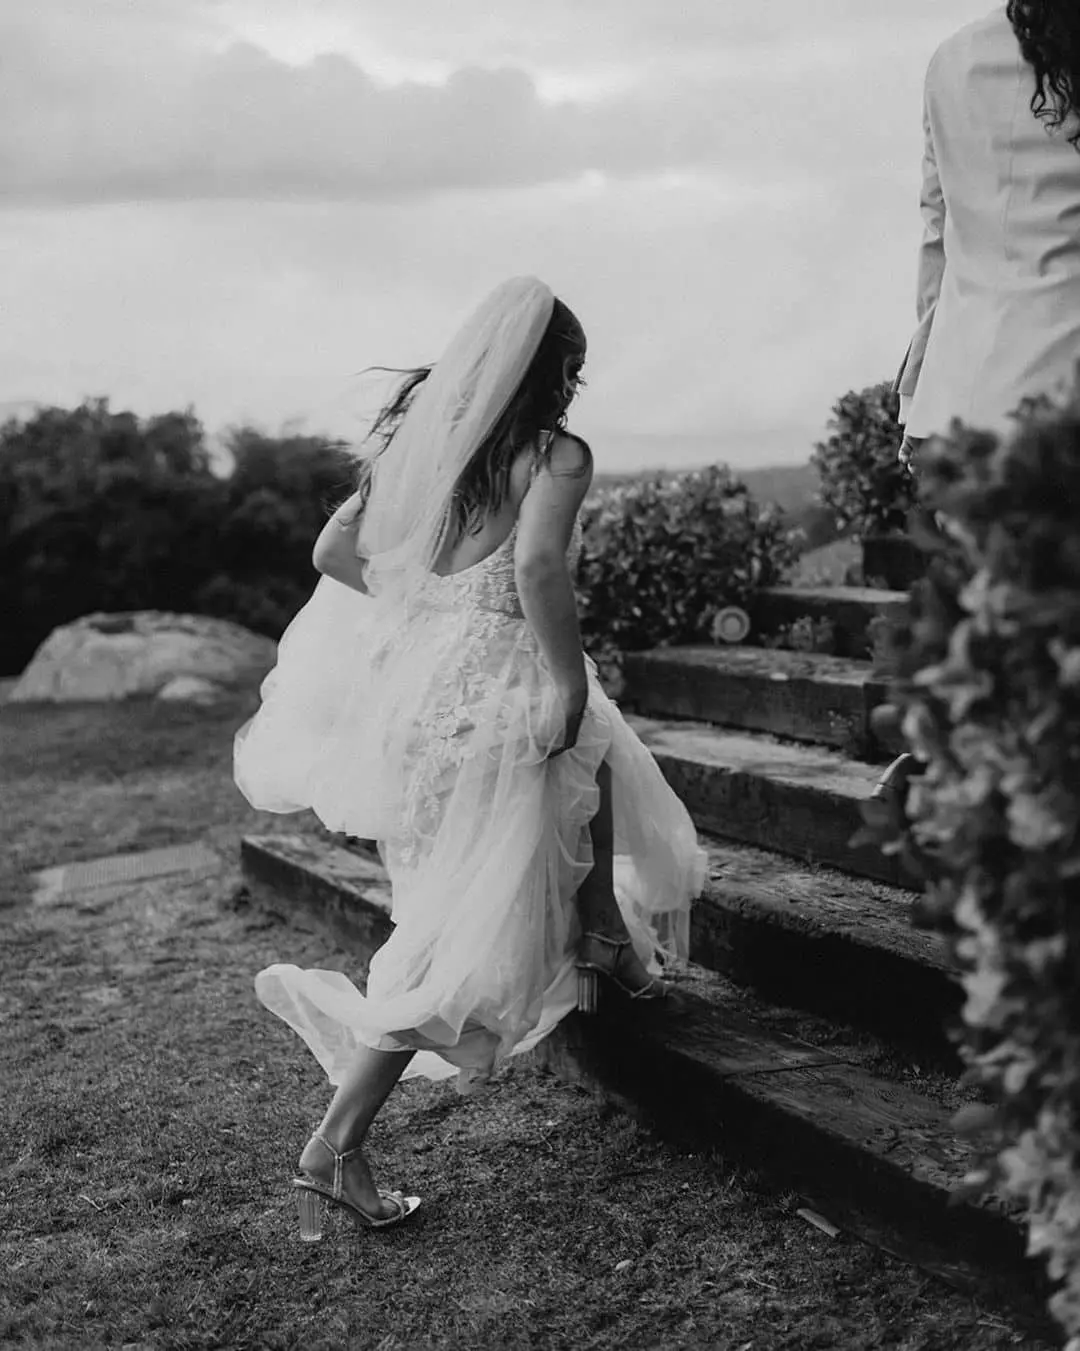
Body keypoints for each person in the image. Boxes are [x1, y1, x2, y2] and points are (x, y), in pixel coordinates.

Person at [234, 277, 706, 1240]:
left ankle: (605, 939)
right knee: (463, 928)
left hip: (421, 690)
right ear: (542, 371)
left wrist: (429, 604)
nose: (574, 387)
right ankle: (335, 1142)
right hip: (496, 680)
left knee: (581, 774)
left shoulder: (432, 446)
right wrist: (563, 678)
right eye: (569, 370)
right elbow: (538, 567)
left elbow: (332, 551)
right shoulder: (555, 454)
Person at [879, 0, 1080, 803]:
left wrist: (921, 382)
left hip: (962, 397)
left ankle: (971, 783)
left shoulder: (952, 58)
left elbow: (937, 232)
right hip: (1060, 387)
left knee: (995, 625)